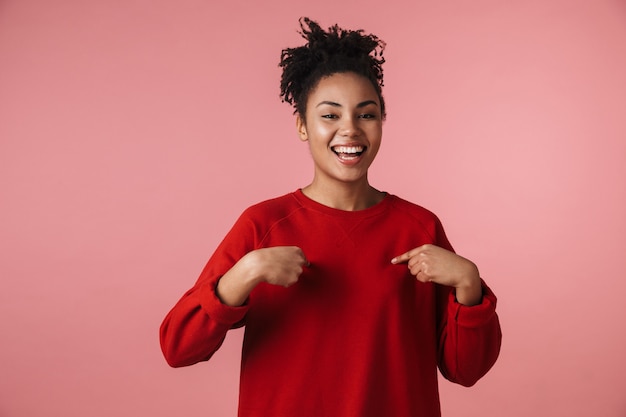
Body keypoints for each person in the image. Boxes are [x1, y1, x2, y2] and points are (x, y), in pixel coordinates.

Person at [160, 17, 501, 417]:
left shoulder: (419, 228)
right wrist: (244, 273)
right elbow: (177, 348)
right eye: (330, 115)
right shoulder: (263, 224)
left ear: (381, 123)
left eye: (366, 114)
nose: (350, 130)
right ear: (303, 126)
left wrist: (468, 282)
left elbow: (466, 370)